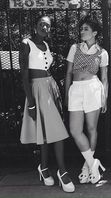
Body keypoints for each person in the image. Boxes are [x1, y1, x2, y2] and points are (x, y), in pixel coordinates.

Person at [19, 16, 75, 193]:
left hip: (50, 89)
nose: (45, 27)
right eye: (41, 24)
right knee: (56, 132)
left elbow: (46, 68)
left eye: (48, 25)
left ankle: (43, 168)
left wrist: (54, 90)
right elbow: (24, 76)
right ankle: (62, 172)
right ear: (35, 26)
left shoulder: (46, 45)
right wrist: (31, 104)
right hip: (37, 91)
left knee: (47, 131)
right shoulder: (25, 43)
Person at [65, 12, 108, 184]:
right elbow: (68, 73)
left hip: (93, 89)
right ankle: (93, 162)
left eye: (86, 29)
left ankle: (86, 167)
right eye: (81, 29)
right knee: (75, 130)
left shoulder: (102, 52)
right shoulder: (74, 48)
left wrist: (104, 97)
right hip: (76, 90)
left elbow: (104, 78)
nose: (82, 31)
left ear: (95, 32)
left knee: (91, 128)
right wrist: (67, 93)